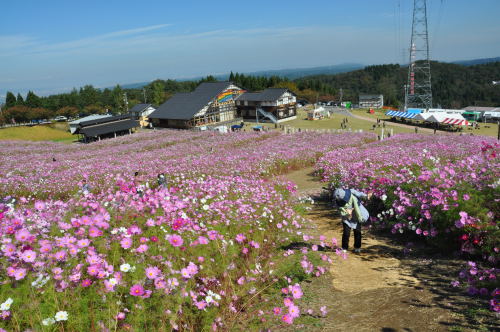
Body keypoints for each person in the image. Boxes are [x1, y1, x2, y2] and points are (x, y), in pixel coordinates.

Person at [334, 188, 371, 253]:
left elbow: (359, 194)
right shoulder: (337, 202)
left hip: (357, 215)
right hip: (346, 218)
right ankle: (344, 247)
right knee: (346, 232)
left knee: (357, 231)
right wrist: (346, 212)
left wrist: (366, 196)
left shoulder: (351, 191)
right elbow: (340, 211)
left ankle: (357, 247)